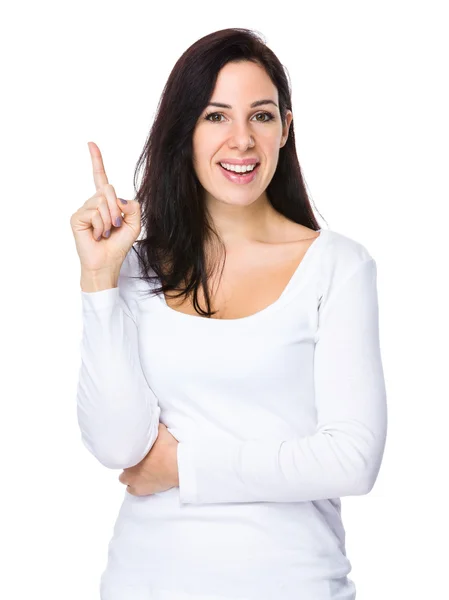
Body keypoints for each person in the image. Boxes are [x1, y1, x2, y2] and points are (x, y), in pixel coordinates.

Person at [71, 27, 388, 600]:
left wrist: (183, 468)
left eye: (261, 116)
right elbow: (119, 447)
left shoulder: (337, 267)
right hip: (144, 583)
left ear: (286, 129)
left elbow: (352, 459)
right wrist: (100, 280)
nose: (241, 140)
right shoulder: (136, 268)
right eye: (216, 116)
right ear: (185, 130)